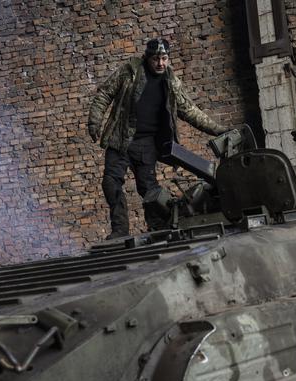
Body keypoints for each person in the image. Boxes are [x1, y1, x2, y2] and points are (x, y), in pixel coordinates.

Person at [88, 38, 227, 239]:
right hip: (120, 139)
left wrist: (218, 130)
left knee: (149, 190)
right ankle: (120, 230)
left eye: (164, 58)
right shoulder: (130, 70)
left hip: (147, 144)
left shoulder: (171, 82)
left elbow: (189, 111)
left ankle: (159, 227)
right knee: (111, 182)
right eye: (156, 59)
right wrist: (95, 122)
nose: (161, 63)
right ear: (147, 57)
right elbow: (104, 94)